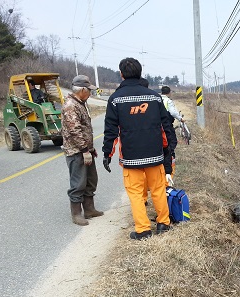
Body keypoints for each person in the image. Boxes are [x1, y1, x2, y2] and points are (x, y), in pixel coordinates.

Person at [102, 57, 177, 240]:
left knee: (136, 193)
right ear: (140, 72)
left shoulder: (115, 99)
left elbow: (111, 130)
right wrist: (167, 151)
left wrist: (107, 154)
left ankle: (143, 230)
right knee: (158, 189)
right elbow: (165, 128)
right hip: (155, 154)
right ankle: (163, 224)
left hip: (131, 156)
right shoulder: (154, 97)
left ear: (121, 74)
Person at [61, 74, 103, 226]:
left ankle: (89, 209)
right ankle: (76, 214)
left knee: (91, 180)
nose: (90, 93)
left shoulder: (80, 103)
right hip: (76, 151)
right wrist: (85, 150)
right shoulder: (71, 105)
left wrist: (91, 149)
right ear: (82, 90)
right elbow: (74, 130)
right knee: (78, 183)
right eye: (89, 90)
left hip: (86, 150)